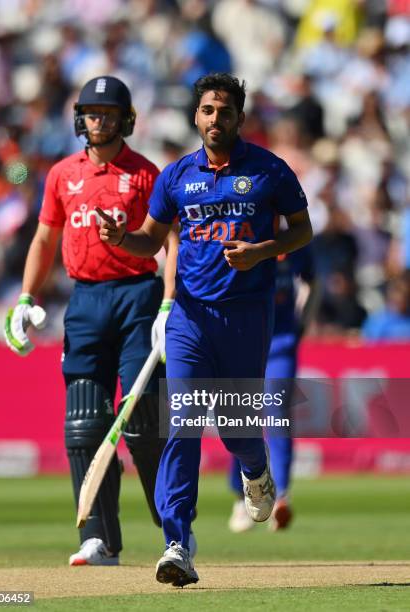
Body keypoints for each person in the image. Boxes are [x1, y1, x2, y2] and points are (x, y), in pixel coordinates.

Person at [98, 72, 313, 586]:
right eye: (208, 111)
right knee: (183, 425)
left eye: (226, 111)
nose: (216, 119)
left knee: (236, 429)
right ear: (197, 117)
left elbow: (302, 230)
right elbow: (150, 242)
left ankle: (255, 467)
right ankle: (178, 541)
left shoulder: (269, 170)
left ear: (240, 117)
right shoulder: (176, 177)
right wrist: (119, 235)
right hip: (190, 319)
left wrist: (262, 251)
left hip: (245, 318)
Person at [4, 75, 182, 567]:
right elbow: (44, 239)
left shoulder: (148, 174)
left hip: (138, 296)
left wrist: (168, 303)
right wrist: (24, 297)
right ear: (80, 118)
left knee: (144, 419)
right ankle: (99, 537)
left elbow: (172, 242)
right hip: (85, 301)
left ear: (126, 119)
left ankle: (170, 521)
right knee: (84, 420)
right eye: (90, 112)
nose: (97, 120)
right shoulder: (62, 174)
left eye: (106, 112)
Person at [228, 245, 319, 533]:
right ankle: (244, 497)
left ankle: (281, 496)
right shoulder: (244, 229)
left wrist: (304, 321)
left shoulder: (295, 238)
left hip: (281, 341)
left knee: (277, 411)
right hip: (243, 337)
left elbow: (312, 280)